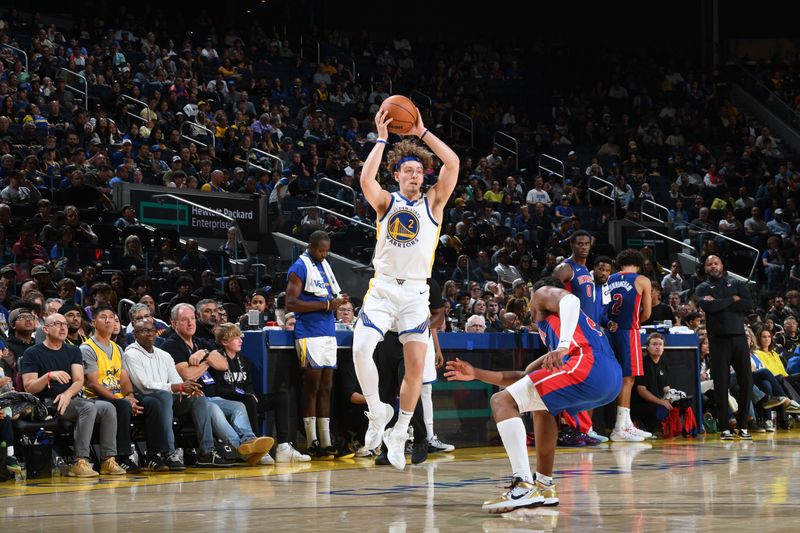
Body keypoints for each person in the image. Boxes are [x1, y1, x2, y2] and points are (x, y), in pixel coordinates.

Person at [445, 277, 621, 513]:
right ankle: (544, 485)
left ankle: (522, 485)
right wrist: (475, 373)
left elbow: (569, 299)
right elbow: (525, 376)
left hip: (588, 365)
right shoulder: (561, 332)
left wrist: (563, 346)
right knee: (541, 405)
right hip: (609, 379)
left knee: (500, 401)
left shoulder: (543, 296)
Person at [351, 104, 458, 470]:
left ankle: (401, 431)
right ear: (396, 175)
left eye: (418, 172)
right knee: (361, 349)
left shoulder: (433, 203)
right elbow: (366, 181)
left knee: (415, 371)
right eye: (408, 171)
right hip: (382, 289)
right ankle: (377, 411)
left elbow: (453, 163)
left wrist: (422, 132)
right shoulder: (386, 202)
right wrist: (382, 139)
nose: (415, 176)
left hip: (415, 294)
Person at [161, 303, 272, 464]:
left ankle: (251, 441)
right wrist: (208, 362)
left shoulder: (201, 343)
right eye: (184, 320)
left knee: (238, 407)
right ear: (173, 323)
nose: (190, 323)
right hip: (189, 399)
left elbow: (223, 364)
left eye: (192, 318)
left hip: (212, 396)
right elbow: (187, 375)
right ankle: (240, 448)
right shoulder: (171, 345)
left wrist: (203, 354)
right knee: (213, 409)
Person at [21, 313, 122, 477]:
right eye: (57, 324)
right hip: (47, 403)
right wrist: (48, 376)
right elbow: (29, 387)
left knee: (108, 407)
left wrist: (68, 394)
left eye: (64, 324)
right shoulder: (32, 352)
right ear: (45, 329)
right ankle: (79, 461)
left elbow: (78, 380)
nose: (62, 327)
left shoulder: (73, 350)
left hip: (70, 399)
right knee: (88, 407)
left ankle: (107, 460)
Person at [124, 317, 226, 470]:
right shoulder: (131, 354)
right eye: (144, 331)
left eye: (152, 330)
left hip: (168, 396)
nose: (150, 334)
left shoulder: (164, 355)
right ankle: (169, 453)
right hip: (145, 398)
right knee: (164, 396)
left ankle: (207, 452)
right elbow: (144, 385)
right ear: (135, 335)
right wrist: (177, 387)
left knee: (199, 398)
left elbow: (176, 379)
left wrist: (189, 389)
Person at [285, 230, 348, 458]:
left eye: (327, 250)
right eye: (321, 250)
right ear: (310, 246)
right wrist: (325, 305)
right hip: (309, 332)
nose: (324, 254)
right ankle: (311, 441)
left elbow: (328, 299)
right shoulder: (299, 267)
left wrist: (337, 302)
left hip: (327, 332)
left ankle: (326, 440)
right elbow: (290, 302)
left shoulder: (324, 267)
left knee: (326, 386)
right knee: (311, 386)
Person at [210, 322, 308, 464]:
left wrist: (249, 393)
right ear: (224, 341)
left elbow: (248, 384)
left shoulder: (245, 361)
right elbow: (218, 389)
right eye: (235, 337)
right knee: (248, 399)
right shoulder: (217, 360)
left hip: (246, 399)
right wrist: (243, 395)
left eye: (240, 336)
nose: (240, 340)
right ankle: (257, 446)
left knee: (282, 397)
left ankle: (283, 446)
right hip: (229, 401)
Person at [696, 255, 753, 440]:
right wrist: (732, 300)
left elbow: (748, 304)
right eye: (709, 264)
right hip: (718, 340)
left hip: (739, 338)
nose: (713, 266)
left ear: (722, 265)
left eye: (716, 263)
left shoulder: (735, 282)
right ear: (705, 268)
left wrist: (721, 302)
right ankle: (724, 427)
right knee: (721, 384)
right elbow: (710, 308)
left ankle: (743, 425)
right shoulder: (702, 287)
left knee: (746, 382)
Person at [80, 304, 142, 472]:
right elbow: (92, 383)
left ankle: (156, 455)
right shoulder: (87, 348)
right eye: (103, 317)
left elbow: (123, 376)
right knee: (122, 406)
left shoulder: (117, 348)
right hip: (94, 398)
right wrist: (120, 400)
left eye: (112, 317)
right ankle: (123, 456)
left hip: (117, 397)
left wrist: (129, 395)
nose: (109, 321)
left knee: (148, 403)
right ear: (93, 323)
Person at [606, 249, 652, 441]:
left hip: (609, 330)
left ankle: (626, 423)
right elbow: (647, 313)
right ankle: (620, 427)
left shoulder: (608, 279)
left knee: (617, 377)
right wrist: (634, 323)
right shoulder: (642, 280)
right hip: (628, 331)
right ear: (639, 264)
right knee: (628, 379)